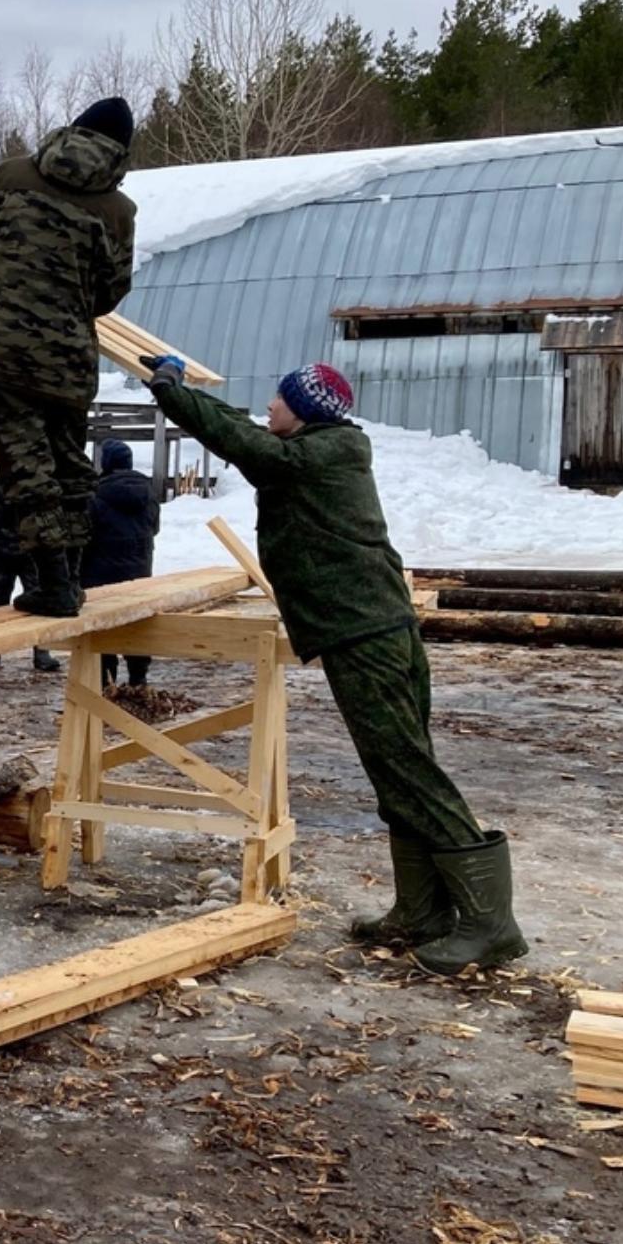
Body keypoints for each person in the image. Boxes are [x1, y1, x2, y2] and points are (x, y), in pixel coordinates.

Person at [141, 356, 526, 975]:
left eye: (280, 398)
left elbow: (251, 449)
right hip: (368, 629)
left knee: (407, 767)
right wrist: (180, 392)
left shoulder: (326, 453)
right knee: (395, 769)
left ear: (307, 410)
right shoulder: (315, 447)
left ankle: (489, 922)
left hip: (366, 634)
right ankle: (422, 911)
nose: (269, 406)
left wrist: (172, 396)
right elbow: (247, 432)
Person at [0, 97, 138, 617]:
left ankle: (54, 587)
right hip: (70, 362)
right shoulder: (118, 211)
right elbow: (109, 294)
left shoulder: (9, 176)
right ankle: (68, 577)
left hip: (6, 354)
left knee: (25, 474)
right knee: (69, 470)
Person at [84, 439, 161, 687]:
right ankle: (138, 678)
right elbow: (154, 528)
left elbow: (86, 535)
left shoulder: (95, 494)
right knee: (136, 625)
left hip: (100, 574)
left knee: (104, 628)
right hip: (139, 571)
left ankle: (106, 683)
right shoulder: (148, 493)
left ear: (105, 462)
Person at [0, 472, 59, 674]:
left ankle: (40, 650)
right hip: (3, 549)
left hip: (31, 551)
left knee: (38, 600)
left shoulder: (25, 478)